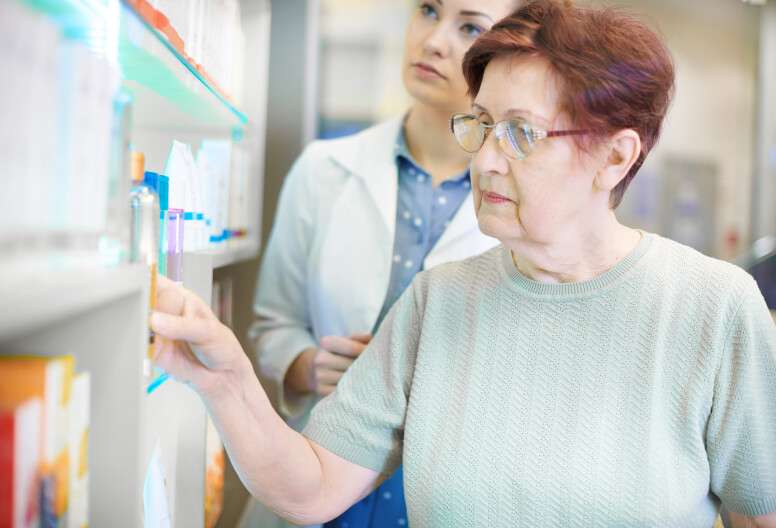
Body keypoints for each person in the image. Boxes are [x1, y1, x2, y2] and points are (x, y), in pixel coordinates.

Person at [149, 1, 776, 526]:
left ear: (615, 157)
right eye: (481, 125)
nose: (486, 161)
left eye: (521, 134)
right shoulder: (437, 301)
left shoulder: (714, 308)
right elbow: (310, 488)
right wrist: (226, 381)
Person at [250, 0, 517, 526]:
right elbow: (272, 323)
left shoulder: (519, 202)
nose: (433, 41)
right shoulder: (323, 169)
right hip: (318, 481)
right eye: (428, 10)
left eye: (469, 27)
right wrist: (305, 365)